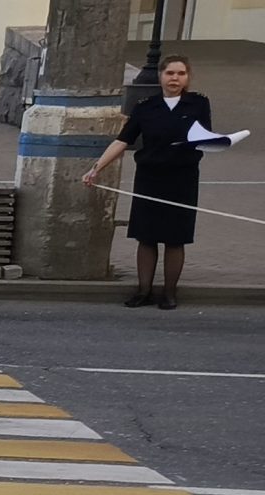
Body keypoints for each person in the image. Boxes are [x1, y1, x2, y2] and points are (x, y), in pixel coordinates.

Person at [84, 55, 211, 309]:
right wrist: (96, 168)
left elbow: (206, 137)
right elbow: (123, 140)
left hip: (182, 177)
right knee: (147, 235)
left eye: (181, 74)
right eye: (170, 73)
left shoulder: (198, 104)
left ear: (188, 77)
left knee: (176, 237)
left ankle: (169, 293)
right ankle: (143, 291)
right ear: (161, 77)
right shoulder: (145, 106)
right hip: (150, 177)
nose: (175, 78)